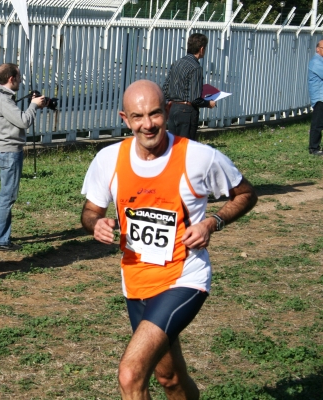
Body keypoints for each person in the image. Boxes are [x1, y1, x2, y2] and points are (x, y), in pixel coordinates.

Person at [80, 80, 257, 399]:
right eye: (138, 117)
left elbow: (245, 194)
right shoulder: (108, 160)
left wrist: (212, 223)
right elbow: (90, 211)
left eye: (155, 114)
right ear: (124, 118)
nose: (147, 124)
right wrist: (96, 224)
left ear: (169, 110)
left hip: (184, 279)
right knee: (170, 377)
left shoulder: (199, 158)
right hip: (135, 282)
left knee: (131, 374)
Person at [0, 63, 46, 251]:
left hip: (4, 150)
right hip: (9, 151)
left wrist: (34, 106)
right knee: (8, 195)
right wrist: (33, 105)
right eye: (19, 77)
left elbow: (16, 118)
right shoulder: (3, 99)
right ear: (11, 79)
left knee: (4, 192)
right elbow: (24, 121)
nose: (21, 80)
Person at [162, 33, 216, 141]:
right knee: (186, 145)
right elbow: (194, 99)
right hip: (187, 112)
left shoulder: (176, 63)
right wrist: (208, 103)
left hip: (172, 109)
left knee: (173, 144)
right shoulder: (196, 68)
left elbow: (165, 89)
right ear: (201, 49)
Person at [308, 39, 323, 156]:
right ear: (317, 49)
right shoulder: (316, 62)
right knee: (317, 124)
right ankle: (313, 148)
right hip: (320, 98)